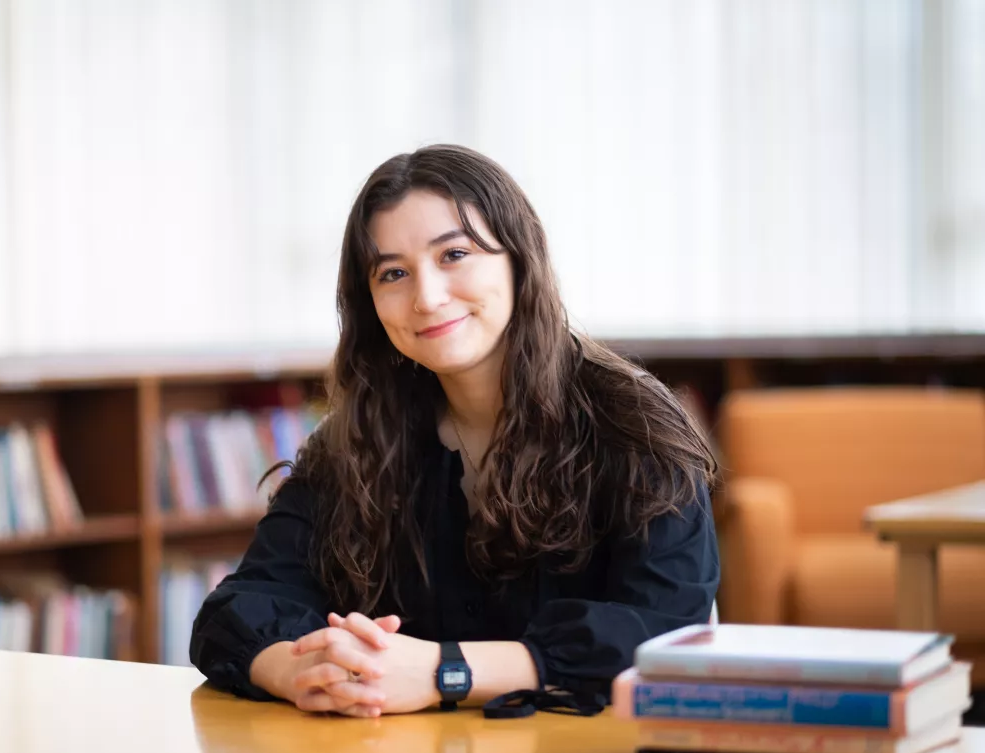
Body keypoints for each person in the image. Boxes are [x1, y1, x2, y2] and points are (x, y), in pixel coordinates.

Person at [190, 144, 720, 718]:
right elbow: (236, 609)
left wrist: (446, 670)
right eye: (393, 273)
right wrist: (303, 672)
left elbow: (667, 633)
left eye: (455, 254)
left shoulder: (632, 424)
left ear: (519, 258)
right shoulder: (357, 440)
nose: (427, 297)